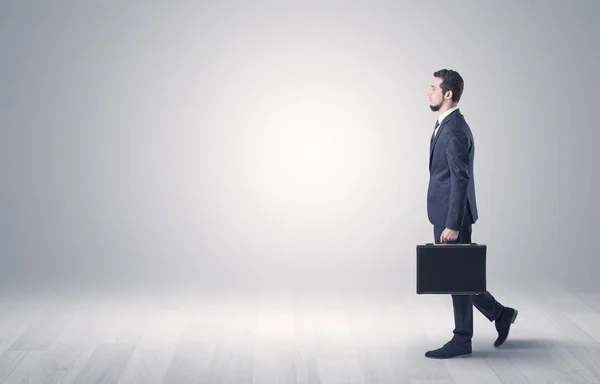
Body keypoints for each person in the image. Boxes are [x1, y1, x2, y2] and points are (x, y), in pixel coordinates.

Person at [424, 69, 518, 358]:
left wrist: (453, 224)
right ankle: (500, 314)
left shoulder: (453, 129)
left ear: (447, 94)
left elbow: (460, 178)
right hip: (445, 214)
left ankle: (463, 340)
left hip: (453, 218)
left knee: (457, 278)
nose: (428, 92)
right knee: (457, 276)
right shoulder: (447, 124)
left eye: (433, 88)